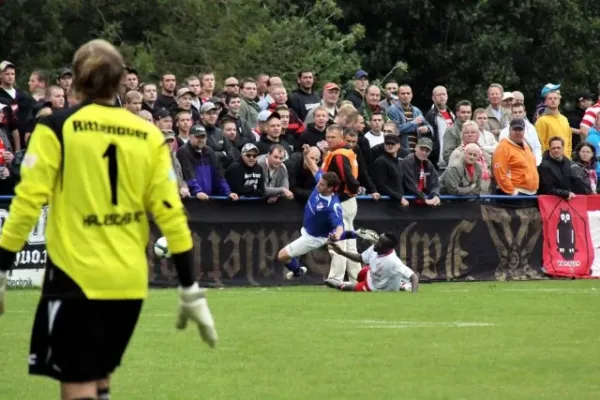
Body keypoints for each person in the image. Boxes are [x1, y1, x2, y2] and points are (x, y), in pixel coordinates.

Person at [0, 40, 217, 400]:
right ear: (121, 84)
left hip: (75, 278)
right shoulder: (148, 135)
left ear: (75, 84)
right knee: (99, 379)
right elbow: (172, 216)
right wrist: (190, 287)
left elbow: (26, 205)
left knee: (79, 385)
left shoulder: (56, 127)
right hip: (129, 283)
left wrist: (2, 267)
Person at [276, 144, 345, 280]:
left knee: (281, 256)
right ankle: (298, 270)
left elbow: (339, 225)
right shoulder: (321, 180)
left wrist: (337, 235)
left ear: (331, 189)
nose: (318, 185)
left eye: (322, 185)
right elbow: (313, 167)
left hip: (313, 238)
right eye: (319, 182)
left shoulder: (333, 205)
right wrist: (307, 155)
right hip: (308, 228)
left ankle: (297, 271)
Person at [324, 231, 419, 293]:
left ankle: (339, 284)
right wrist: (341, 252)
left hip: (378, 287)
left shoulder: (393, 261)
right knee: (361, 273)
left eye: (380, 243)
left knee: (346, 288)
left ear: (386, 248)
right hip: (373, 276)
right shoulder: (375, 249)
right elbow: (361, 258)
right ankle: (402, 285)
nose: (376, 243)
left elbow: (414, 277)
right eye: (378, 240)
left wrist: (414, 296)